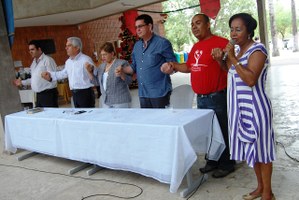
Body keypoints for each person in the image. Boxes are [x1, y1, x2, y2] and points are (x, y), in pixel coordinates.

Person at [161, 13, 235, 178]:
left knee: (222, 130)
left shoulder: (222, 43)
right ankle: (212, 161)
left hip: (217, 97)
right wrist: (173, 65)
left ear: (208, 24)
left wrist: (219, 59)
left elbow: (230, 68)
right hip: (201, 98)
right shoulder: (195, 47)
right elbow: (188, 67)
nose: (194, 27)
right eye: (192, 24)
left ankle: (227, 163)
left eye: (198, 23)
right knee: (208, 132)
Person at [219, 13, 276, 200]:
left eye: (238, 29)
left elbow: (250, 79)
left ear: (249, 31)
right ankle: (260, 187)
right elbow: (231, 72)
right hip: (241, 109)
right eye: (232, 29)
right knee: (254, 150)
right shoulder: (237, 51)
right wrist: (221, 59)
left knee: (264, 152)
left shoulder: (258, 50)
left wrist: (233, 58)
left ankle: (268, 193)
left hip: (256, 108)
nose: (233, 33)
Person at [118, 14, 177, 108]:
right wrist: (122, 69)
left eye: (140, 26)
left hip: (160, 93)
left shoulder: (162, 43)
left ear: (150, 26)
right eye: (136, 27)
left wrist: (170, 68)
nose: (137, 30)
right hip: (143, 94)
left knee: (161, 121)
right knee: (148, 121)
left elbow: (174, 65)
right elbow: (134, 67)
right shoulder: (137, 46)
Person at [42, 37, 95, 108]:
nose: (66, 48)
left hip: (85, 93)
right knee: (79, 117)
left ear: (77, 48)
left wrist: (91, 70)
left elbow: (94, 75)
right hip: (74, 93)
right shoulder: (68, 62)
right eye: (66, 46)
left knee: (88, 117)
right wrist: (50, 75)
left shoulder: (86, 59)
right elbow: (63, 73)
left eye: (69, 46)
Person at [86, 42, 132, 108]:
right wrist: (89, 72)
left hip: (120, 101)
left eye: (105, 54)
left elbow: (129, 81)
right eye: (101, 55)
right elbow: (97, 82)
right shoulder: (101, 67)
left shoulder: (122, 63)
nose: (102, 57)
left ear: (112, 54)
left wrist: (122, 74)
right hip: (106, 102)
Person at [13, 40, 58, 107]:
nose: (30, 52)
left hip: (48, 94)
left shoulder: (47, 60)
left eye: (32, 49)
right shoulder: (34, 63)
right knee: (41, 116)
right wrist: (21, 82)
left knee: (50, 116)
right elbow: (34, 79)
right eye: (29, 50)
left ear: (39, 49)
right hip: (39, 95)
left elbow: (53, 77)